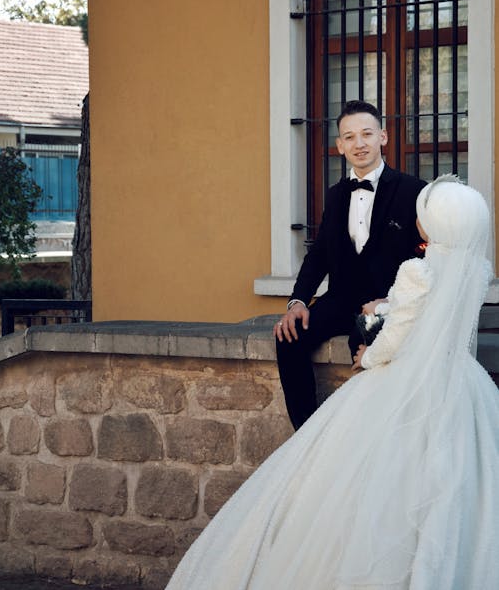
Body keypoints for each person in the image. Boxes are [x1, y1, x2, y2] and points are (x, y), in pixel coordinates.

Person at [166, 177, 499, 590]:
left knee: (365, 483)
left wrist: (369, 356)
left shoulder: (417, 270)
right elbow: (434, 316)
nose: (416, 220)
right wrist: (385, 304)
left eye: (423, 215)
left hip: (404, 382)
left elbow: (399, 336)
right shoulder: (475, 271)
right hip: (460, 381)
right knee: (456, 481)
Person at [275, 100, 426, 429]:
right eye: (350, 137)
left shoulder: (414, 191)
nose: (360, 143)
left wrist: (395, 300)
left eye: (367, 134)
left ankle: (373, 437)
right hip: (341, 299)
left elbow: (426, 252)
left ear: (383, 137)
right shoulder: (335, 194)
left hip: (388, 303)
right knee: (288, 336)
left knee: (368, 349)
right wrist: (298, 301)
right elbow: (319, 255)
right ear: (340, 146)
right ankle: (307, 432)